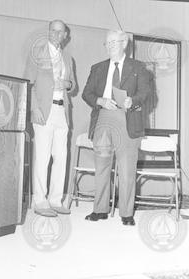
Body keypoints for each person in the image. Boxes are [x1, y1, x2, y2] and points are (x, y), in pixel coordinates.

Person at [82, 30, 151, 226]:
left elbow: (145, 92)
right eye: (107, 43)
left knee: (127, 168)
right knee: (102, 166)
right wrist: (100, 100)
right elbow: (86, 93)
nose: (110, 45)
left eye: (114, 42)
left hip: (127, 118)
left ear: (124, 44)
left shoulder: (139, 67)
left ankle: (127, 213)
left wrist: (133, 100)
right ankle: (100, 209)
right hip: (103, 118)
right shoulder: (97, 68)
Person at [25, 20, 76, 217]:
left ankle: (55, 200)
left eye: (60, 31)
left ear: (65, 36)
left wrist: (67, 83)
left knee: (61, 156)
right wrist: (34, 109)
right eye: (52, 31)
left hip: (62, 112)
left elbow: (72, 86)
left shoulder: (68, 57)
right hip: (43, 112)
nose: (56, 34)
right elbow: (28, 83)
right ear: (49, 32)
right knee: (42, 157)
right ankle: (40, 201)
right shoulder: (37, 52)